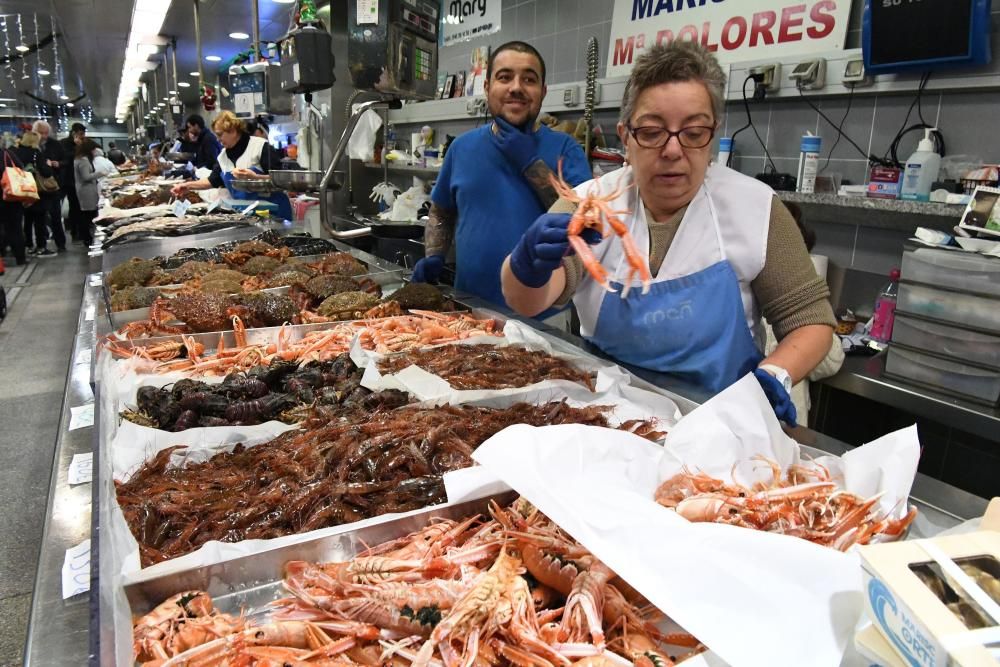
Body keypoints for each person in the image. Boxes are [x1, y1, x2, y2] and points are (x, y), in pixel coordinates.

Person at [500, 41, 837, 424]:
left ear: (712, 136)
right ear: (626, 137)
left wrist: (773, 375)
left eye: (693, 132)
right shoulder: (590, 205)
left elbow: (810, 319)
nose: (673, 150)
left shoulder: (757, 208)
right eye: (652, 131)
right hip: (607, 420)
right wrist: (526, 268)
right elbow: (528, 301)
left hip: (725, 421)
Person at [411, 41, 590, 311]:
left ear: (542, 92)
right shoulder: (462, 148)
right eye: (504, 77)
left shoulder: (567, 149)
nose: (516, 87)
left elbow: (582, 226)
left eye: (529, 79)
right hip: (469, 310)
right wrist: (435, 255)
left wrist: (531, 164)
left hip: (544, 318)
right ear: (487, 87)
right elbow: (441, 212)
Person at [170, 111, 292, 219]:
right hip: (249, 215)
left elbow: (282, 180)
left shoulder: (260, 147)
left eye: (220, 134)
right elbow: (213, 181)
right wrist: (187, 186)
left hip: (275, 214)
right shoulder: (223, 157)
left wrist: (256, 177)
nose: (218, 139)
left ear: (233, 131)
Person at [13, 131, 55, 257]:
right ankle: (41, 247)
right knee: (40, 220)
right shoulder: (36, 153)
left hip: (22, 190)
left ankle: (29, 245)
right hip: (37, 190)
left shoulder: (16, 153)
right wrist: (48, 166)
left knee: (27, 220)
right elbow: (46, 172)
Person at [32, 120, 67, 253]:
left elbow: (65, 160)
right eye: (41, 133)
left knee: (56, 215)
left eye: (46, 133)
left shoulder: (55, 144)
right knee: (39, 218)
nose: (44, 136)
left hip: (53, 186)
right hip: (36, 188)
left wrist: (58, 163)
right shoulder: (32, 146)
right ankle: (42, 244)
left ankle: (60, 243)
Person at [0, 145, 27, 266]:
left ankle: (2, 256)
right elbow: (21, 168)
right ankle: (20, 258)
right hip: (11, 196)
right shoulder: (7, 153)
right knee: (15, 228)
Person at [58, 122, 86, 241]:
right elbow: (66, 159)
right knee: (74, 207)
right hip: (69, 180)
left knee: (80, 207)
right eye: (80, 134)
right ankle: (75, 232)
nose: (82, 136)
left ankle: (81, 230)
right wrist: (77, 147)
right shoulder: (64, 143)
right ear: (74, 133)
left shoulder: (83, 142)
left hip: (81, 179)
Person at [73, 139, 101, 246]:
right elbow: (86, 177)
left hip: (83, 190)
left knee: (86, 214)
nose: (95, 152)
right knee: (88, 215)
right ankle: (88, 238)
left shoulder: (78, 159)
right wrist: (99, 173)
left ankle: (87, 237)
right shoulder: (83, 160)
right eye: (94, 150)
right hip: (86, 190)